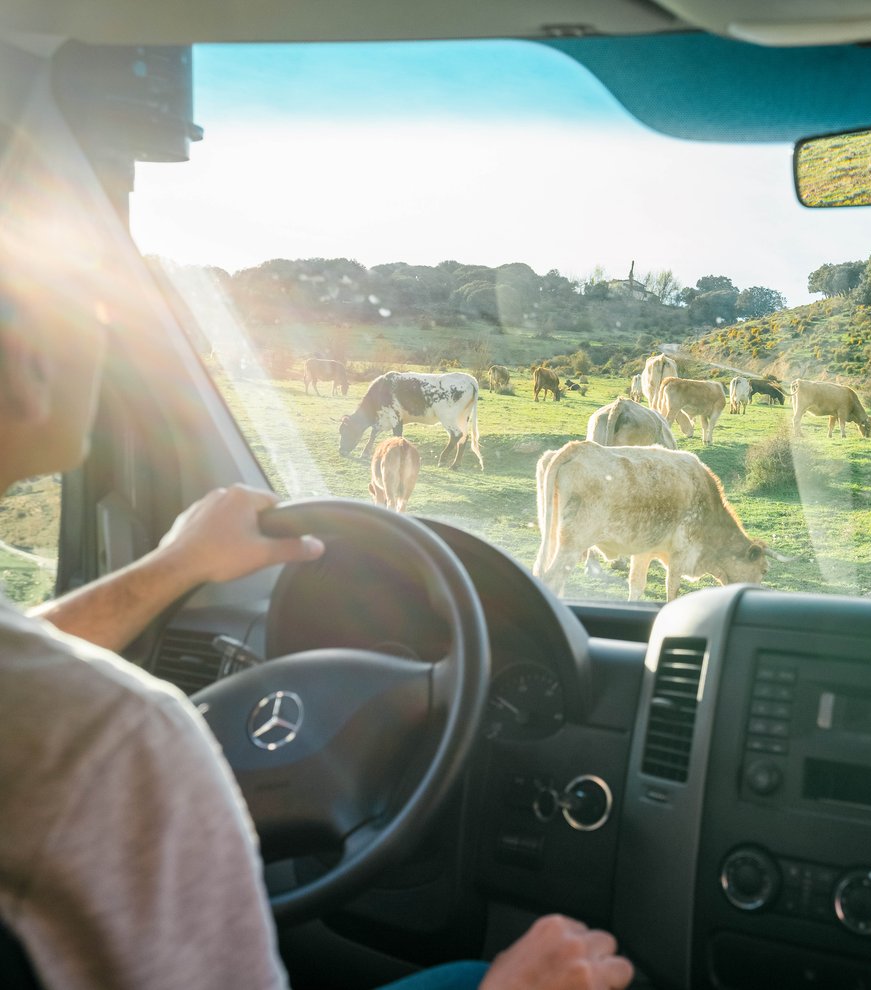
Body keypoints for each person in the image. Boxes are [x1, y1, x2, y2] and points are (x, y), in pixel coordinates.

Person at [0, 133, 633, 990]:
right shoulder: (112, 738)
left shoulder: (46, 705)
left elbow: (21, 657)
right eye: (90, 300)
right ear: (33, 356)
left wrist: (178, 563)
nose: (105, 325)